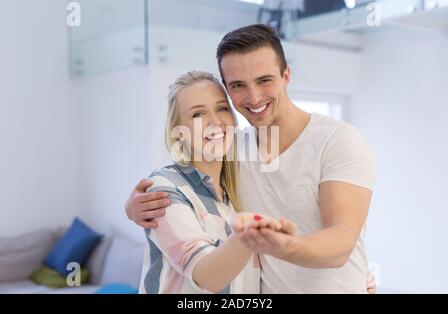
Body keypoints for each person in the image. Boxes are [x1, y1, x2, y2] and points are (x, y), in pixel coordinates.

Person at [128, 24, 377, 293]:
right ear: (227, 88)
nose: (254, 96)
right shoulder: (234, 151)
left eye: (264, 80)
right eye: (238, 85)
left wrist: (280, 245)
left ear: (286, 75)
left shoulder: (338, 141)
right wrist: (132, 208)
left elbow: (340, 244)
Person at [139, 70, 295, 294]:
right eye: (197, 115)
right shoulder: (164, 188)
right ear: (178, 133)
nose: (215, 122)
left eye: (222, 108)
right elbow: (206, 276)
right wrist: (249, 235)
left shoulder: (238, 190)